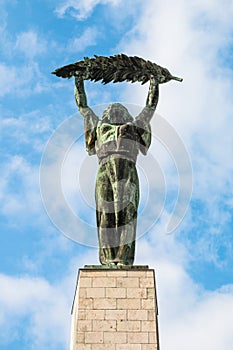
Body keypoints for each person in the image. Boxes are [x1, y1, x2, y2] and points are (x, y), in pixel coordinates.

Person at [74, 75, 159, 266]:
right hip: (105, 169)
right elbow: (84, 108)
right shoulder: (99, 127)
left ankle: (123, 259)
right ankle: (108, 259)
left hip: (128, 169)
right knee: (106, 214)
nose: (114, 109)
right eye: (111, 109)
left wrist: (154, 83)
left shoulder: (134, 127)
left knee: (126, 214)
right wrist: (78, 82)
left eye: (119, 108)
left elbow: (149, 109)